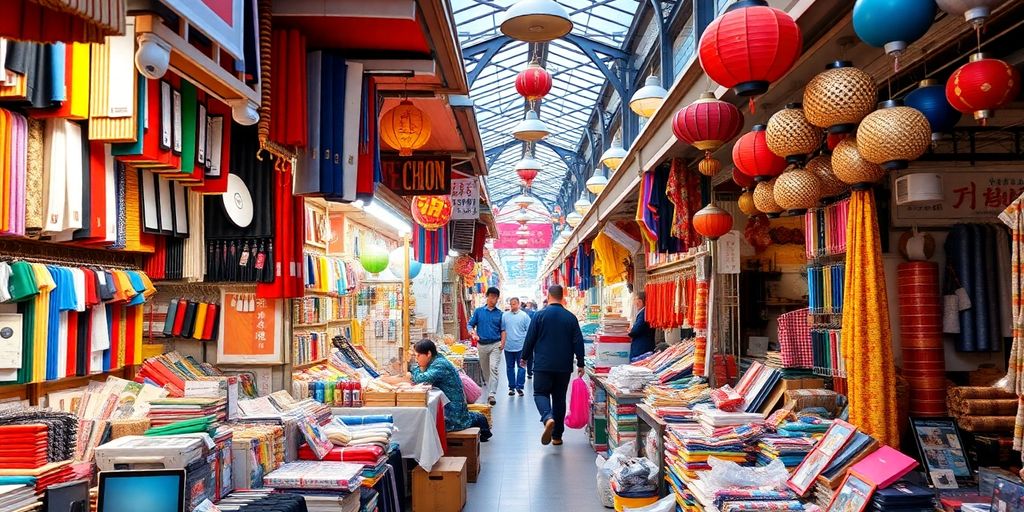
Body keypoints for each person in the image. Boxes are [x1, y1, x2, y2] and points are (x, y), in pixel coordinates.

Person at [383, 340, 492, 441]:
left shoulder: (440, 364)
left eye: (418, 356)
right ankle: (477, 418)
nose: (416, 359)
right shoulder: (435, 361)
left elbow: (422, 378)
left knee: (426, 425)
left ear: (428, 354)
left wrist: (413, 369)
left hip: (452, 412)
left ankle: (478, 420)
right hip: (452, 406)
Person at [520, 285, 585, 446]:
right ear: (562, 296)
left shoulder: (539, 316)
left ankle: (548, 418)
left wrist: (524, 357)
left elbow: (530, 338)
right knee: (559, 399)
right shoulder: (570, 317)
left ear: (548, 296)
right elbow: (578, 341)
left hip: (542, 364)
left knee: (540, 393)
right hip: (564, 365)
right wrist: (581, 363)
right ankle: (557, 437)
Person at [468, 286, 503, 405]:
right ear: (487, 296)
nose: (493, 299)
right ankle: (490, 390)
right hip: (481, 345)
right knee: (485, 370)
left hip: (495, 344)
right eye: (491, 296)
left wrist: (502, 343)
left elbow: (503, 330)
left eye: (496, 297)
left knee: (494, 368)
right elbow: (470, 325)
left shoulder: (500, 314)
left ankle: (492, 394)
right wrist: (473, 333)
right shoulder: (478, 311)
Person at [500, 297, 531, 397]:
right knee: (510, 367)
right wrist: (502, 343)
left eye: (514, 304)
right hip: (508, 346)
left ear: (518, 304)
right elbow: (502, 330)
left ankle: (519, 386)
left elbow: (529, 330)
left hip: (521, 346)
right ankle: (511, 387)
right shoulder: (505, 316)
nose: (512, 306)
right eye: (511, 304)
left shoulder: (524, 316)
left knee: (521, 367)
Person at [628, 291, 655, 360]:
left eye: (636, 301)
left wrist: (631, 331)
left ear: (640, 301)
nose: (635, 303)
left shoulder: (644, 313)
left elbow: (636, 330)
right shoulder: (646, 312)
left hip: (641, 348)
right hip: (646, 346)